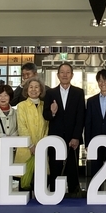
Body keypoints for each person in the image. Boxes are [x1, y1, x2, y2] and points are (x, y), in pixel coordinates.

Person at [43, 63, 85, 195]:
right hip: (55, 138)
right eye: (62, 72)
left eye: (68, 72)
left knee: (72, 170)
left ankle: (74, 197)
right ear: (58, 75)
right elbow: (45, 115)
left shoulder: (78, 92)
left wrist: (76, 136)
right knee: (55, 168)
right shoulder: (50, 93)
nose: (65, 75)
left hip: (73, 139)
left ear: (72, 75)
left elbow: (81, 116)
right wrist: (52, 112)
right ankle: (54, 196)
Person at [14, 76, 48, 190]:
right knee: (25, 185)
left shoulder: (45, 106)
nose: (34, 90)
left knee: (41, 185)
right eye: (31, 87)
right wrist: (31, 145)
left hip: (42, 149)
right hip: (26, 149)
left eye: (36, 87)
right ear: (26, 90)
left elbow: (47, 127)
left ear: (41, 90)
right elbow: (22, 127)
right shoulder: (21, 106)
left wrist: (41, 145)